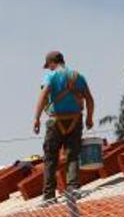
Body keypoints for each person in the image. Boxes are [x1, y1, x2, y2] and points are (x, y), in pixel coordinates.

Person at [32, 50, 95, 201]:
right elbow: (89, 99)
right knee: (72, 155)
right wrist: (90, 119)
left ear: (52, 63)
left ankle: (48, 196)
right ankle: (73, 189)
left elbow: (43, 96)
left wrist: (36, 118)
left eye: (49, 66)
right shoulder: (77, 76)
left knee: (50, 158)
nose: (49, 68)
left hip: (56, 121)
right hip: (75, 119)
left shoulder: (51, 76)